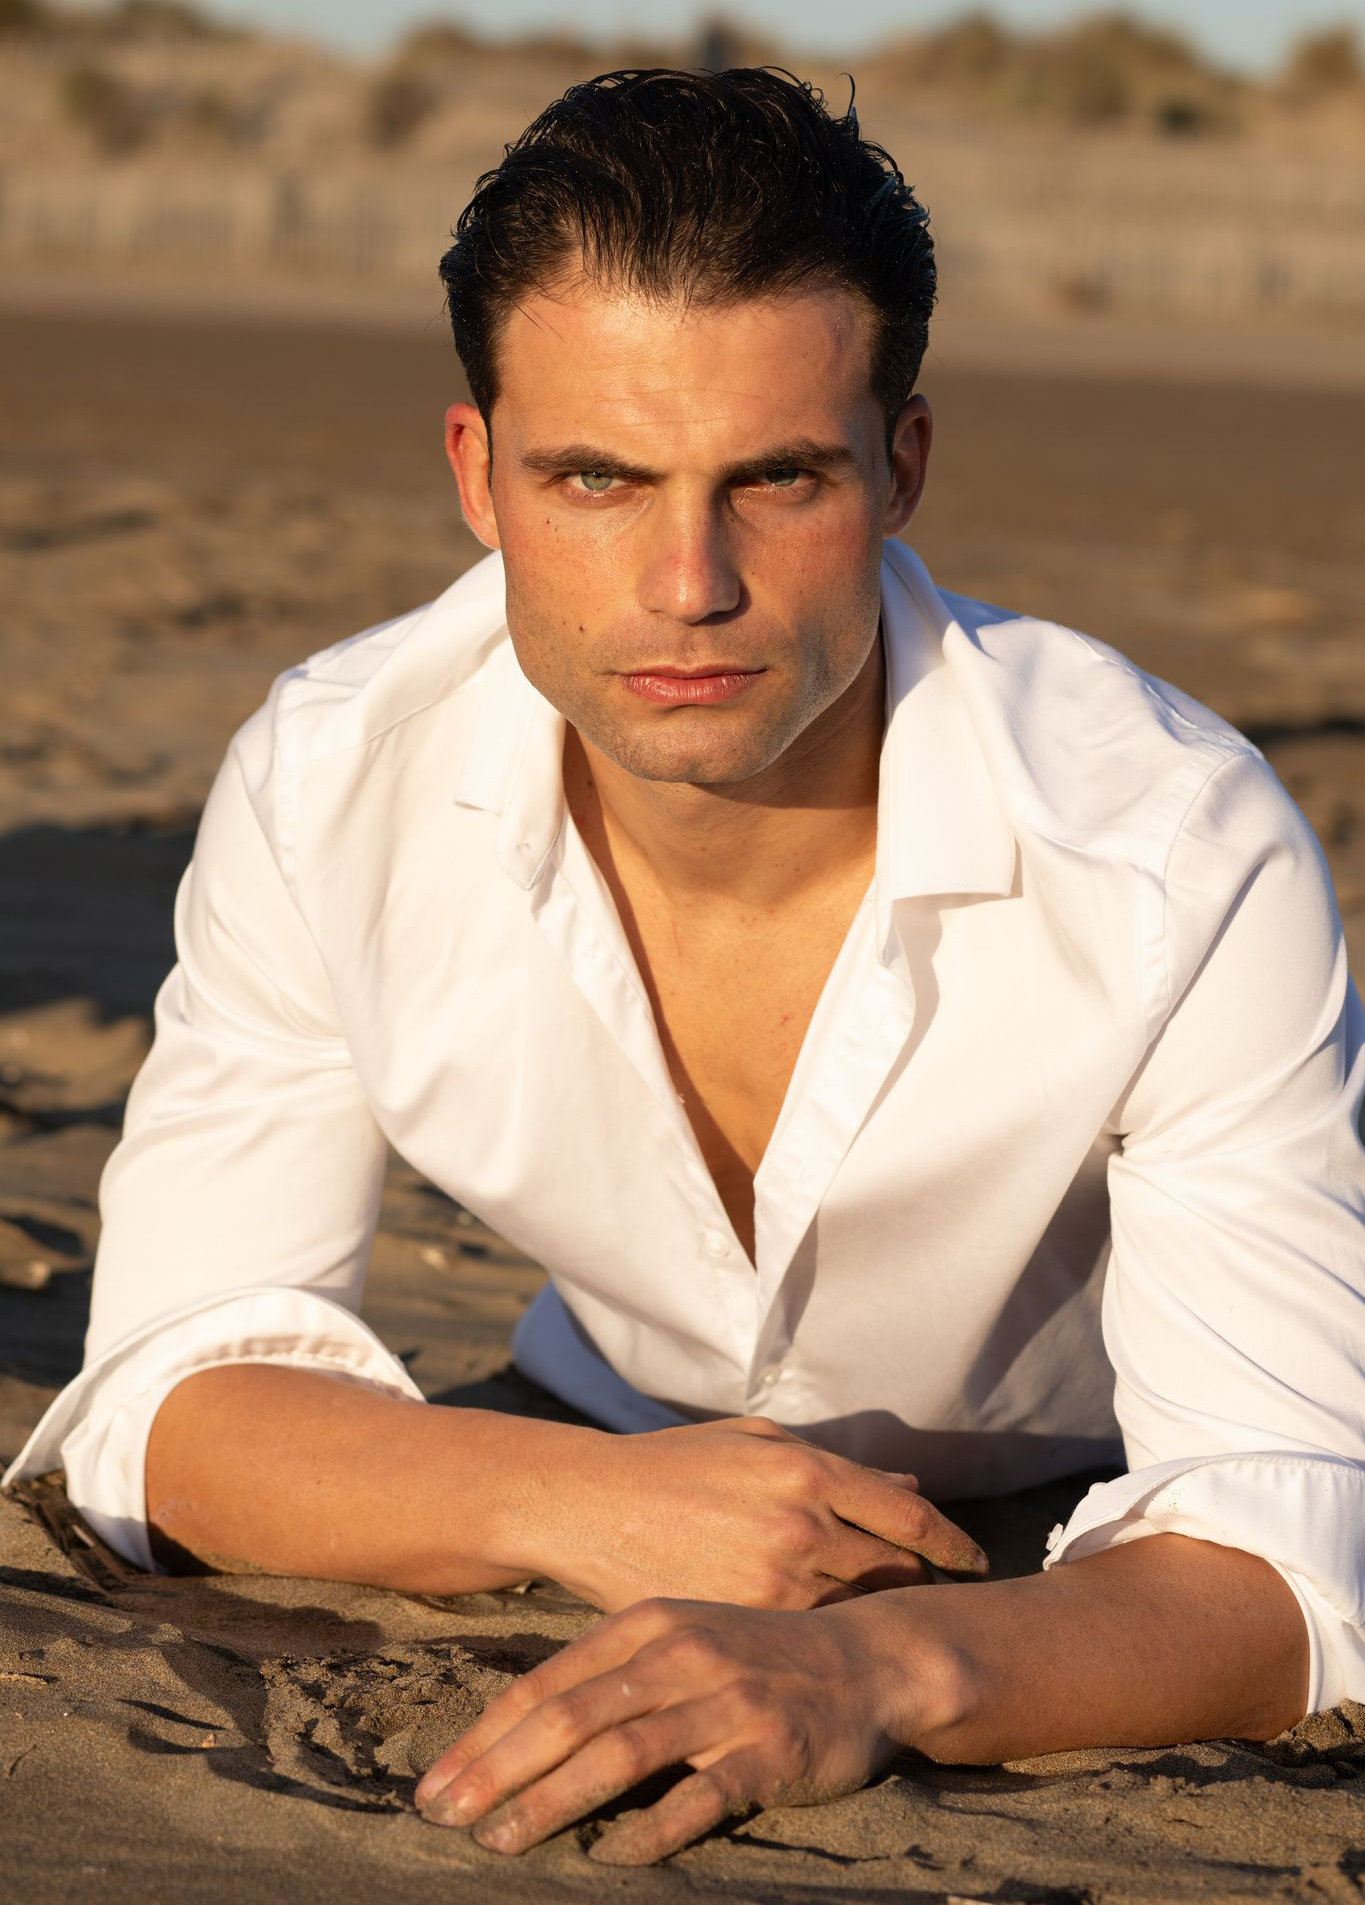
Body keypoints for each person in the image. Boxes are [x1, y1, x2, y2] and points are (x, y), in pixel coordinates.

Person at [7, 67, 1364, 1868]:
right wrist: (581, 1498)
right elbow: (157, 1405)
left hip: (1081, 1508)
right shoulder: (331, 781)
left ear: (899, 468)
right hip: (596, 1430)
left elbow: (1283, 1567)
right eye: (595, 477)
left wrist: (870, 1668)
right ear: (478, 476)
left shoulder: (1170, 848)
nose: (685, 582)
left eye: (776, 477)